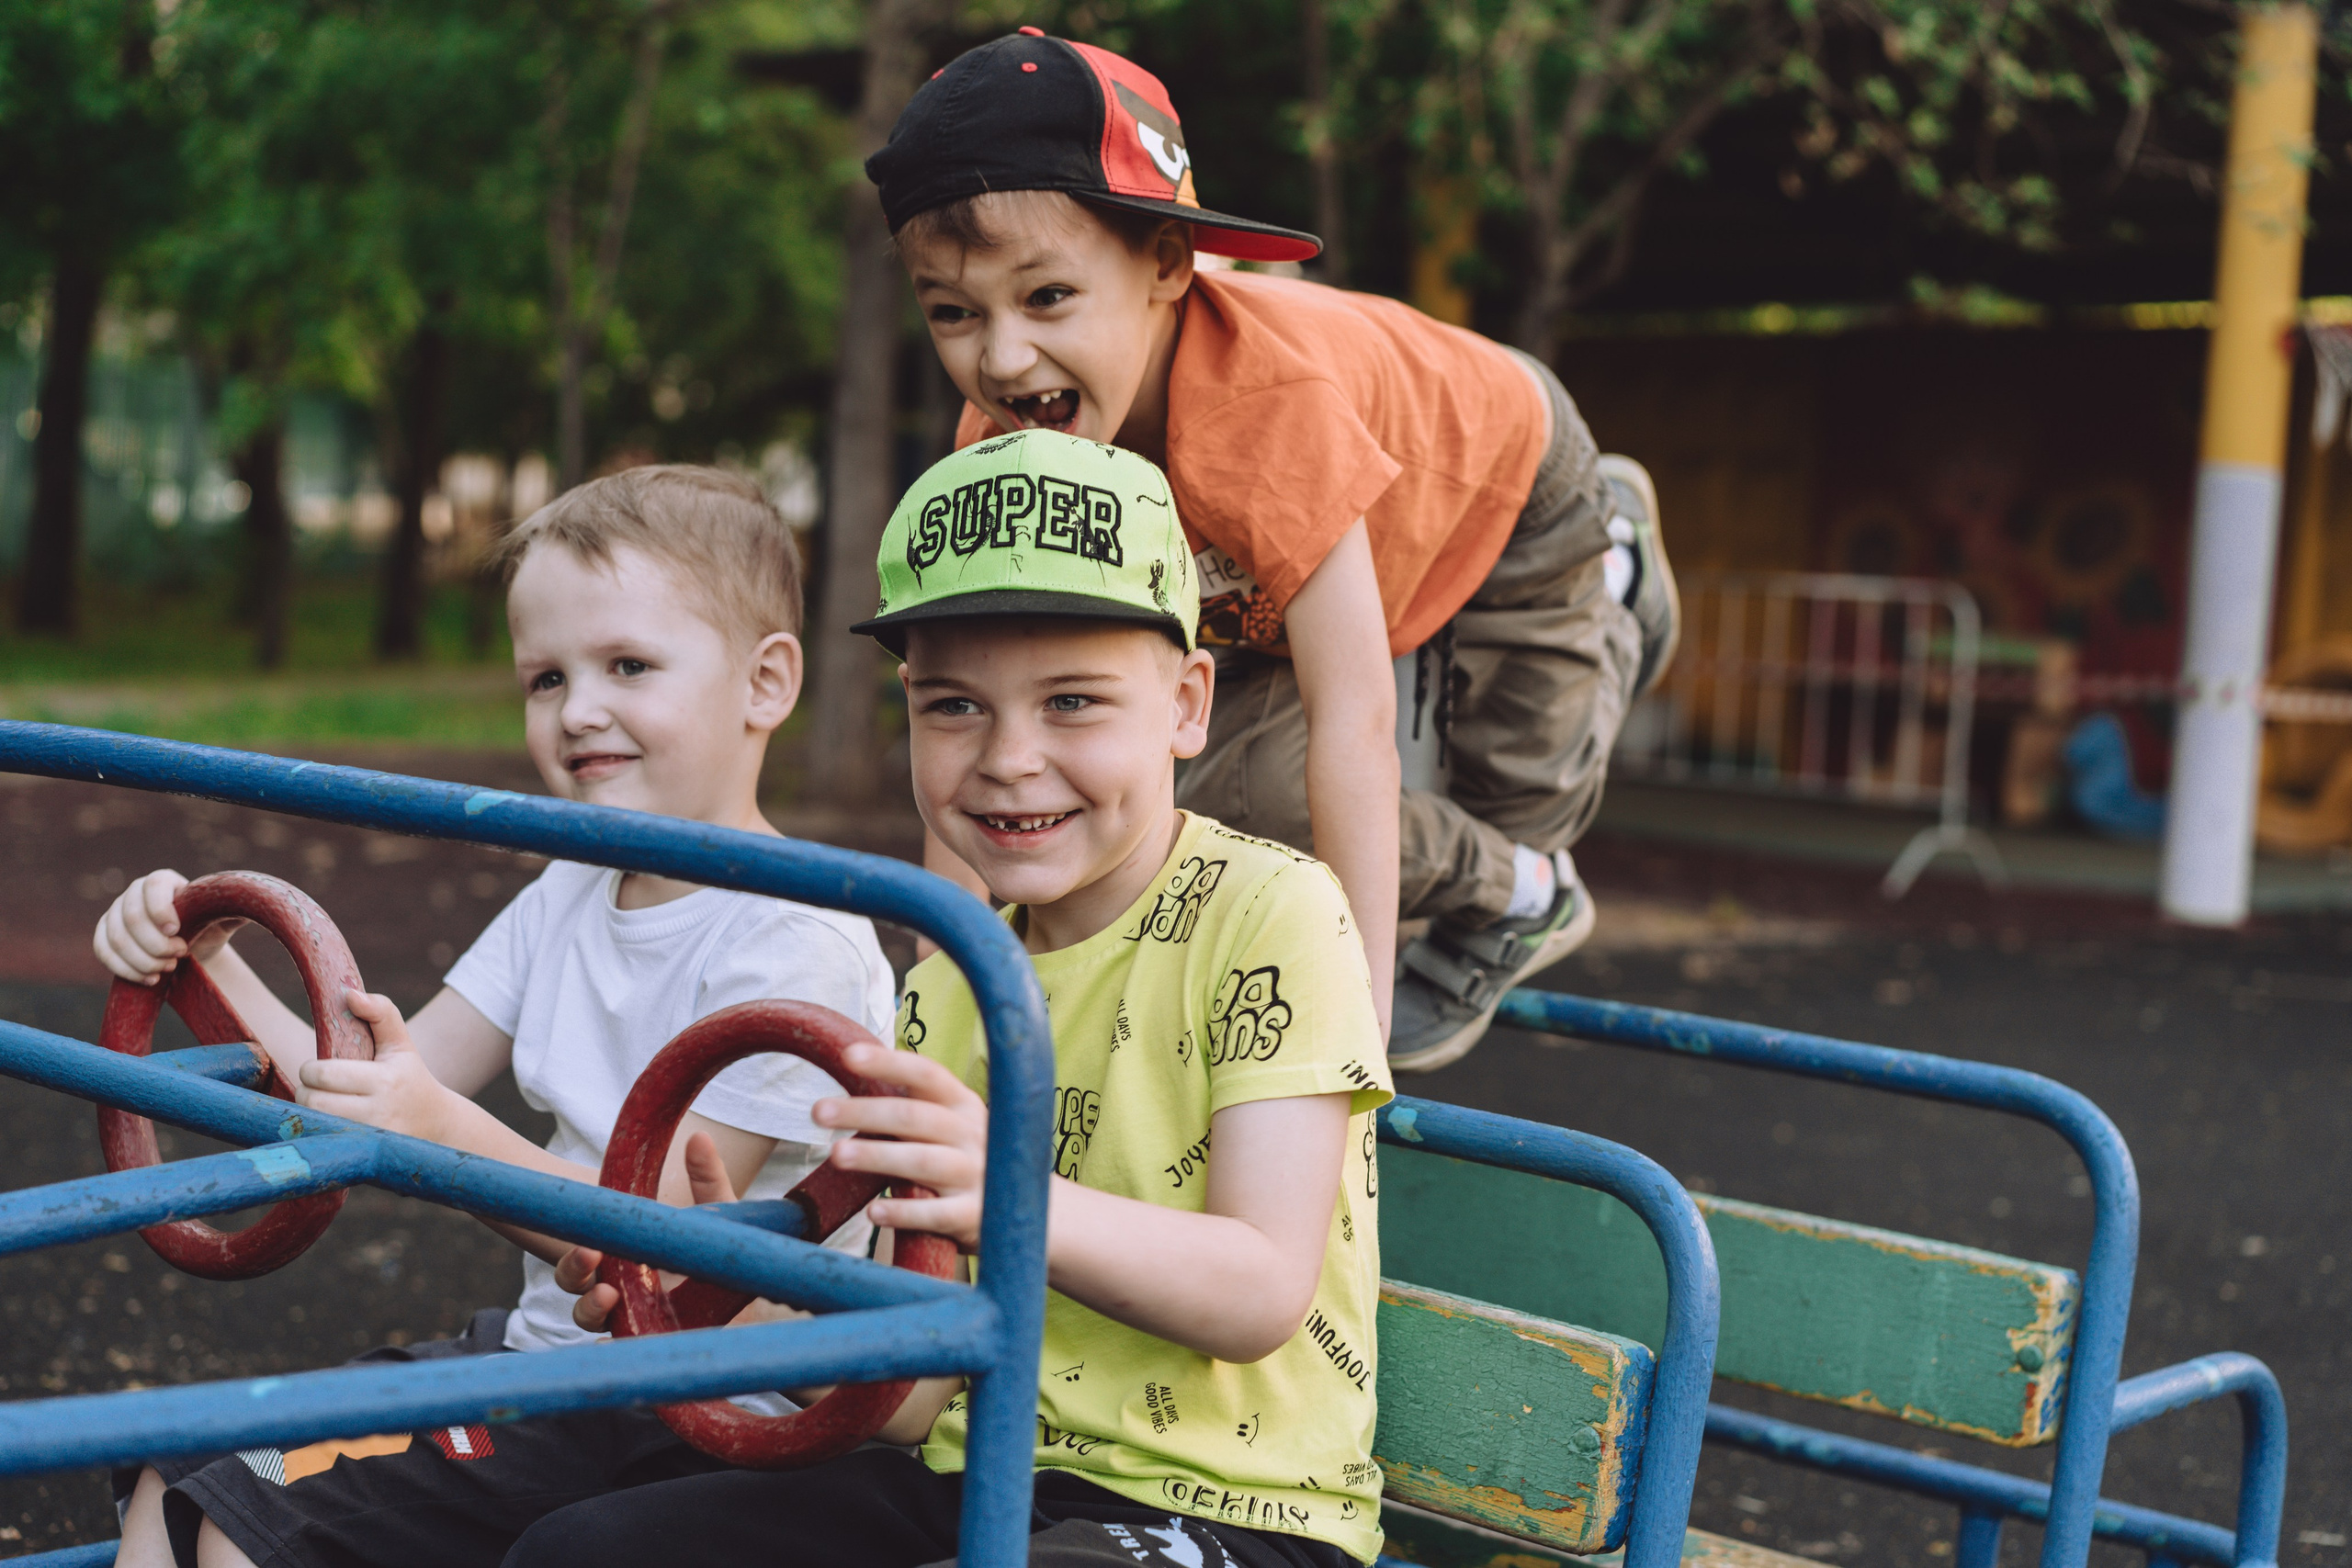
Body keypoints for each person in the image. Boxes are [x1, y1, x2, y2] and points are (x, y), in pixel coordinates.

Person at [502, 429, 1394, 1568]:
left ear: (1185, 703)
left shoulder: (1270, 913)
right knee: (580, 1552)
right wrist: (734, 1295)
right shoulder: (949, 989)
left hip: (1235, 1512)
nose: (1009, 757)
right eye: (953, 707)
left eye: (1072, 702)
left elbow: (1261, 1289)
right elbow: (922, 1389)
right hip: (978, 1478)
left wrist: (1005, 1190)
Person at [93, 465, 898, 1568]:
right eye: (544, 678)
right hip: (545, 1361)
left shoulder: (793, 942)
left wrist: (436, 1129)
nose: (578, 710)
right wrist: (202, 961)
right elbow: (366, 1086)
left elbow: (654, 1246)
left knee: (240, 1527)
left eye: (628, 666)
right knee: (176, 1479)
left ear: (765, 684)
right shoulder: (567, 889)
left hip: (698, 1401)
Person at [865, 26, 1680, 1072]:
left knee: (1523, 810)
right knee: (1189, 776)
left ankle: (1604, 601)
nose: (1003, 356)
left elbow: (1356, 719)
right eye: (952, 312)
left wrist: (1351, 1023)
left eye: (1048, 296)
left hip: (1509, 502)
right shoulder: (1009, 445)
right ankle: (1521, 837)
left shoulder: (1261, 412)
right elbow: (977, 701)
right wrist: (949, 1014)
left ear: (1166, 264)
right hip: (1271, 573)